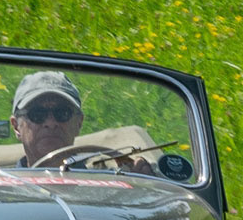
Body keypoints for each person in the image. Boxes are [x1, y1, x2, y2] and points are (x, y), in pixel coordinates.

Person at [8, 70, 154, 173]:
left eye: (62, 113)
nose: (51, 123)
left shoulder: (107, 183)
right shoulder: (3, 190)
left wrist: (142, 182)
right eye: (37, 114)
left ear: (79, 122)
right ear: (16, 126)